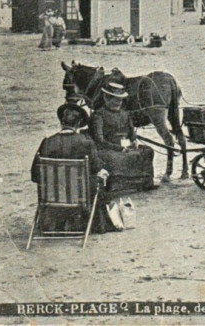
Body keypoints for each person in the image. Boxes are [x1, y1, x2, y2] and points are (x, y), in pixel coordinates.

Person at [31, 103, 116, 233]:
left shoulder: (47, 142)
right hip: (80, 195)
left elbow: (35, 175)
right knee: (99, 178)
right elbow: (96, 167)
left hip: (52, 196)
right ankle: (93, 223)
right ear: (78, 124)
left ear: (61, 122)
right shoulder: (85, 142)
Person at [89, 82, 157, 192]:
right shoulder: (98, 115)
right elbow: (99, 140)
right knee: (113, 157)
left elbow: (131, 131)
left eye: (120, 100)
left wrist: (134, 140)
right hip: (108, 149)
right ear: (106, 98)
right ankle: (117, 184)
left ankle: (145, 182)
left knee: (148, 151)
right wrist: (119, 148)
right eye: (116, 99)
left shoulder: (125, 114)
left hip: (126, 147)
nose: (119, 103)